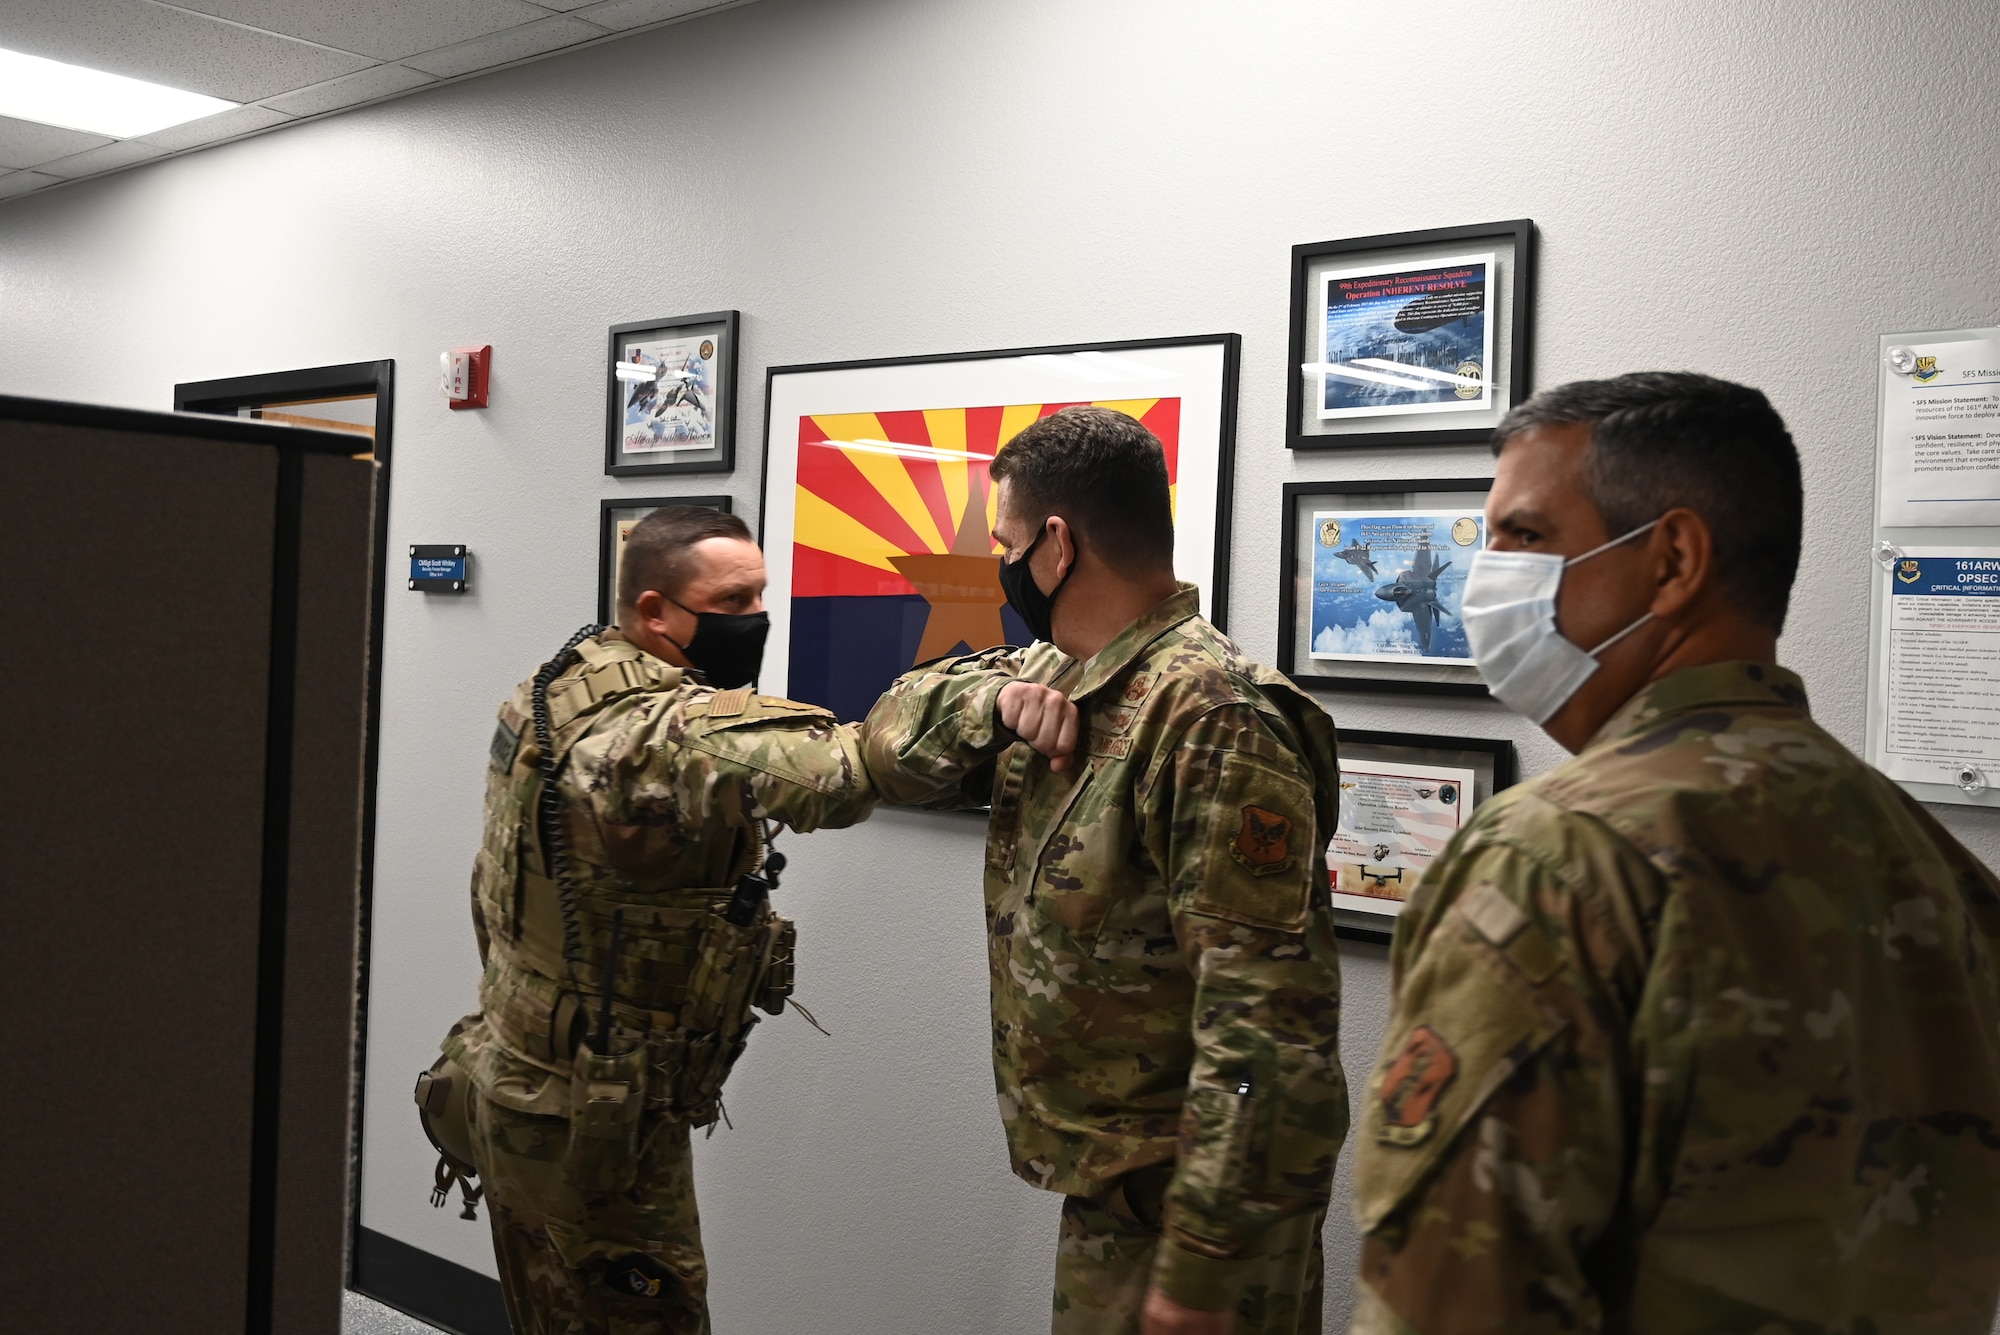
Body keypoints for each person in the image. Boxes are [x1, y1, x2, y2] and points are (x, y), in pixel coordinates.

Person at [1349, 373, 2000, 1334]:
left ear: (1673, 560)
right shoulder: (1934, 860)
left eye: (1525, 537)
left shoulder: (1557, 859)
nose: (1485, 578)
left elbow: (1455, 1302)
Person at [861, 406, 1349, 1335]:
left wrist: (1207, 1259)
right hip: (1117, 1194)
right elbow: (887, 738)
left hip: (1191, 1212)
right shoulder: (1066, 671)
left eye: (1004, 543)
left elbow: (1268, 1025)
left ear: (1054, 545)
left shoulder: (1210, 716)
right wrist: (992, 700)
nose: (1001, 566)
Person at [424, 506, 887, 1335]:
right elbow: (841, 777)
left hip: (517, 1076)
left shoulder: (553, 689)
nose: (755, 618)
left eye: (761, 595)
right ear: (655, 612)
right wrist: (989, 692)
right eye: (735, 599)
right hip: (589, 1122)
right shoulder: (656, 732)